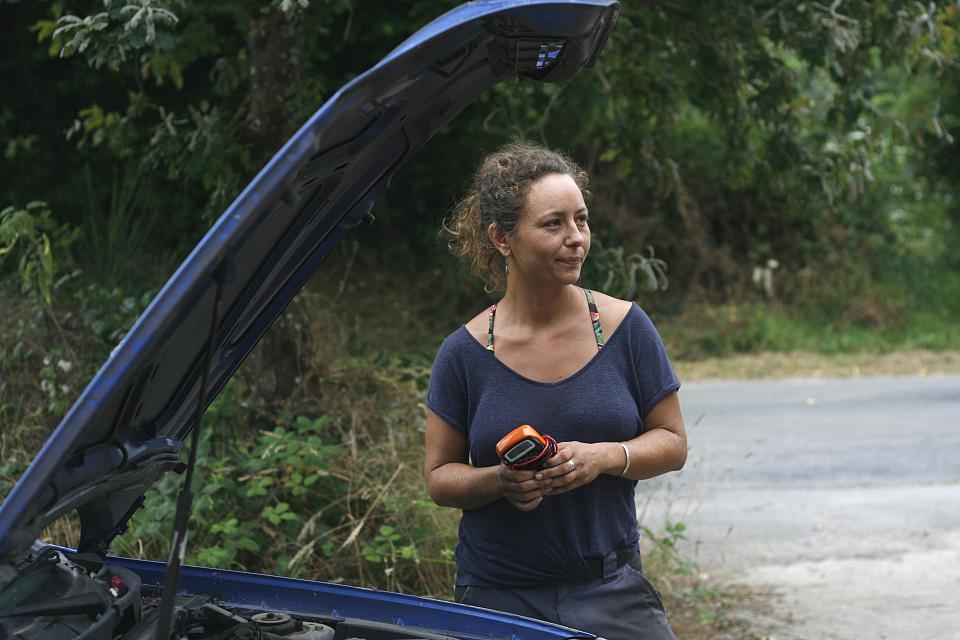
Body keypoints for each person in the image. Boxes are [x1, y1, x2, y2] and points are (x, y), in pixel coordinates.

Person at [423, 142, 687, 640]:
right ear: (503, 238)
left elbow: (672, 444)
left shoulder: (625, 328)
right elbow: (439, 478)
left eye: (581, 220)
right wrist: (499, 481)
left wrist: (605, 456)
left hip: (611, 591)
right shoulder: (463, 353)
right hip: (498, 600)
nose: (576, 239)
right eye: (553, 224)